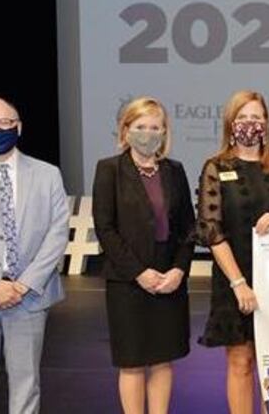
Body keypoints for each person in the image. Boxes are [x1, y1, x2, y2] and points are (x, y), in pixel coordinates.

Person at [196, 90, 269, 414]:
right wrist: (239, 284)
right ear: (230, 123)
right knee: (241, 361)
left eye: (256, 117)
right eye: (243, 117)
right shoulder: (216, 167)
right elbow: (211, 231)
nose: (250, 124)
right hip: (235, 280)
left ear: (266, 122)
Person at [92, 97, 195, 414]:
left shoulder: (175, 171)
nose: (147, 133)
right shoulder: (109, 169)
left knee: (163, 361)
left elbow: (188, 228)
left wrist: (178, 270)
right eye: (140, 126)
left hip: (169, 280)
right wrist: (139, 272)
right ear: (125, 130)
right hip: (128, 282)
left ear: (164, 132)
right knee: (132, 362)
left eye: (155, 127)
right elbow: (105, 228)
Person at [0, 96, 69, 414]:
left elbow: (57, 232)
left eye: (4, 122)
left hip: (29, 297)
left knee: (27, 386)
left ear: (19, 126)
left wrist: (24, 284)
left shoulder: (48, 174)